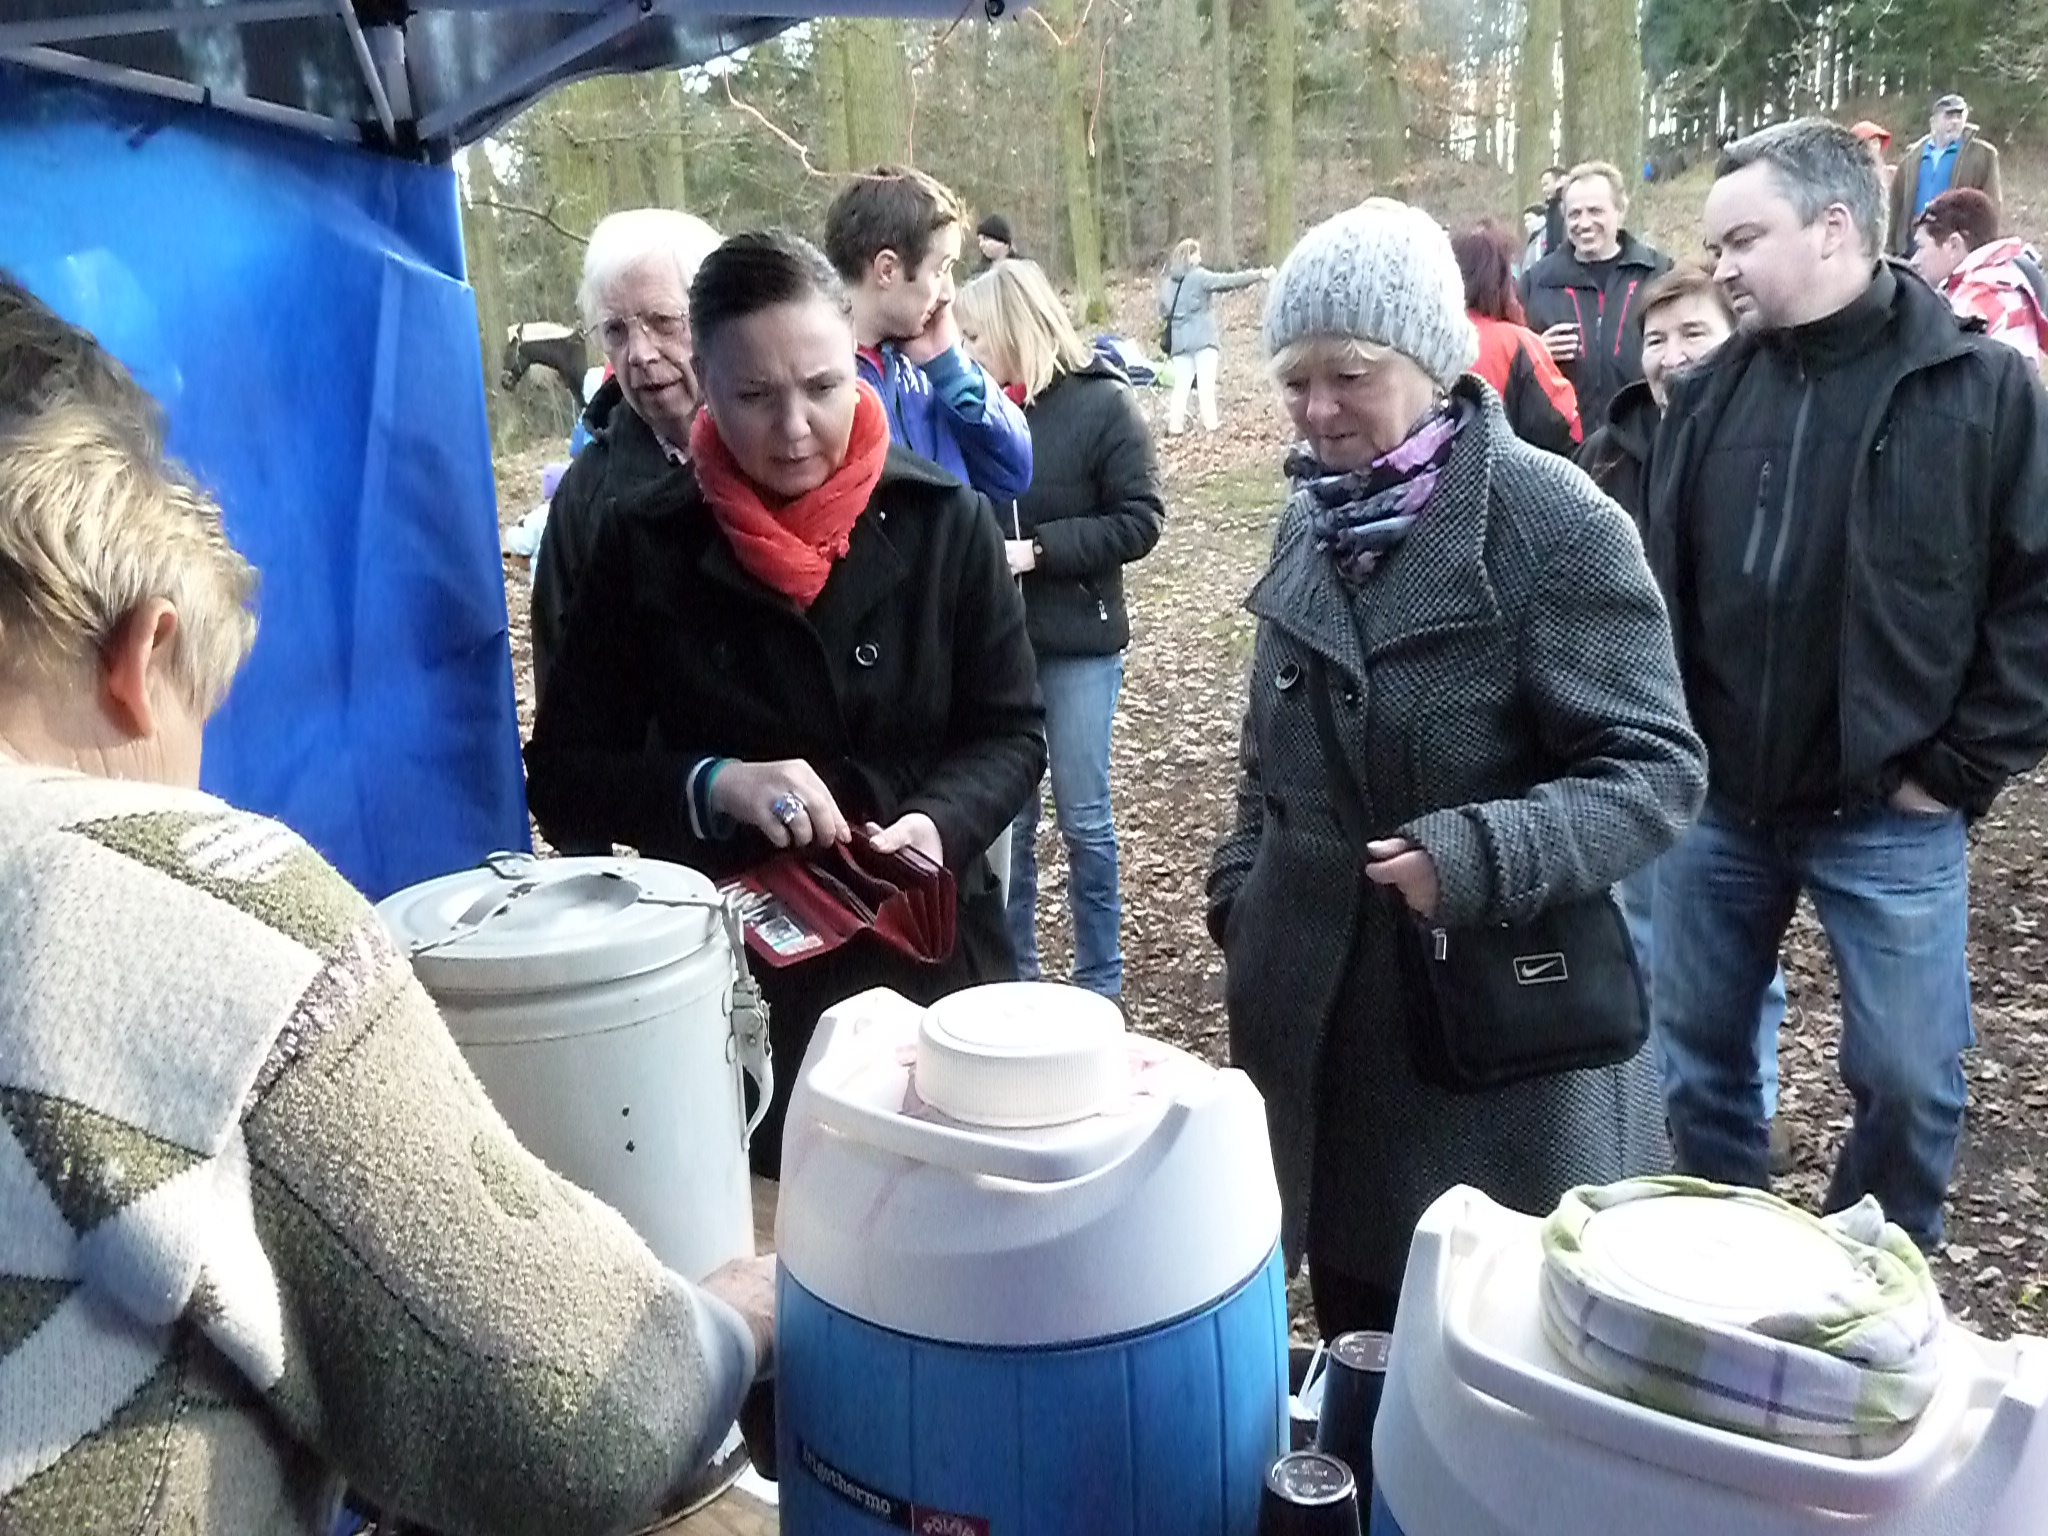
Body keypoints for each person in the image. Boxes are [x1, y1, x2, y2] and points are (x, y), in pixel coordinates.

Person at [0, 398, 774, 1535]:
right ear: (143, 653)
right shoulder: (179, 890)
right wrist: (734, 1323)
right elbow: (565, 1421)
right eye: (197, 714)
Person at [1207, 200, 1705, 1338]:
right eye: (1295, 381)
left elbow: (1656, 772)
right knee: (1358, 1340)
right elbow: (1269, 748)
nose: (1318, 410)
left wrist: (1479, 854)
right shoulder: (1309, 516)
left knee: (1482, 1354)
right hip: (1315, 1039)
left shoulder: (1551, 522)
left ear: (1431, 361)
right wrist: (1244, 887)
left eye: (1349, 376)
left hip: (1487, 1057)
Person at [525, 231, 1046, 1179]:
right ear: (707, 388)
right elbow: (563, 778)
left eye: (822, 386)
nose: (796, 428)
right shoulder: (643, 547)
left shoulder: (947, 524)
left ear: (855, 359)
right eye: (755, 397)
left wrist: (936, 824)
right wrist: (713, 784)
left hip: (930, 969)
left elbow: (1009, 732)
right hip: (735, 1005)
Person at [1645, 119, 2048, 1251]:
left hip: (1889, 812)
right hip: (1717, 807)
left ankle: (1866, 1290)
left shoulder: (1979, 389)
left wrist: (1954, 770)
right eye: (1714, 246)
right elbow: (1665, 586)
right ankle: (1725, 1276)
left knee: (1912, 1085)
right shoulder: (1711, 395)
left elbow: (2034, 597)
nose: (1720, 267)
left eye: (1742, 240)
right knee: (1698, 1070)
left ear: (1832, 228)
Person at [1575, 264, 1795, 1169]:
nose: (1672, 356)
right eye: (1656, 339)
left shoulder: (1773, 440)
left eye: (1693, 333)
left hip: (1740, 747)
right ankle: (1656, 1110)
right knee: (1639, 931)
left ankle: (1750, 1100)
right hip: (1633, 738)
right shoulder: (1609, 454)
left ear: (1735, 337)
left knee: (1736, 950)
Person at [955, 258, 1165, 1001]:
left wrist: (1037, 552)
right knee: (1008, 829)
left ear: (1014, 329)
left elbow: (1140, 519)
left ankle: (1099, 984)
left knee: (1083, 821)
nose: (964, 350)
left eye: (975, 336)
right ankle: (1016, 982)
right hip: (998, 649)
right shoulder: (971, 415)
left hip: (1078, 646)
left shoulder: (1102, 405)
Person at [532, 207, 722, 705]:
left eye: (663, 322)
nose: (639, 353)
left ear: (718, 319)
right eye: (616, 331)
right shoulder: (587, 497)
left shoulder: (788, 453)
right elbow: (564, 701)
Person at [822, 166, 1032, 502]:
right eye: (941, 269)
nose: (949, 293)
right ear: (887, 270)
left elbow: (1012, 474)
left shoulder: (923, 371)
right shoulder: (818, 385)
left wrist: (950, 368)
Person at [1520, 161, 1673, 433]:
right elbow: (1511, 360)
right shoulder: (1536, 281)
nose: (1584, 223)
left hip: (1643, 440)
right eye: (1574, 214)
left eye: (1595, 211)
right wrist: (1536, 352)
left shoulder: (1658, 273)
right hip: (1562, 444)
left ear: (1620, 211)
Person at [1450, 220, 1581, 454]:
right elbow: (1566, 427)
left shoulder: (1424, 339)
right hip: (1503, 469)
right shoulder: (1517, 343)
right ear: (1501, 280)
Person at [1910, 188, 2048, 371]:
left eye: (1921, 247)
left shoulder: (1975, 300)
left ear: (1953, 245)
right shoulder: (2010, 282)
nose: (1914, 261)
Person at [1156, 237, 1276, 436]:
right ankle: (1210, 425)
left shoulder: (1168, 283)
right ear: (1190, 257)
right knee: (1206, 386)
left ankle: (1175, 427)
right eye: (1197, 254)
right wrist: (1260, 275)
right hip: (1204, 339)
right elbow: (1228, 281)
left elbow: (1163, 311)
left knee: (1181, 388)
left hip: (1180, 342)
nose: (1200, 257)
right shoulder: (1200, 276)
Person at [1887, 93, 2003, 259]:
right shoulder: (1911, 157)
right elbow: (1895, 205)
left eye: (1959, 116)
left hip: (1955, 252)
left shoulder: (1983, 155)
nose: (1955, 121)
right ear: (1933, 122)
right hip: (1911, 251)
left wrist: (1985, 251)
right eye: (1949, 116)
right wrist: (1890, 247)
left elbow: (1992, 207)